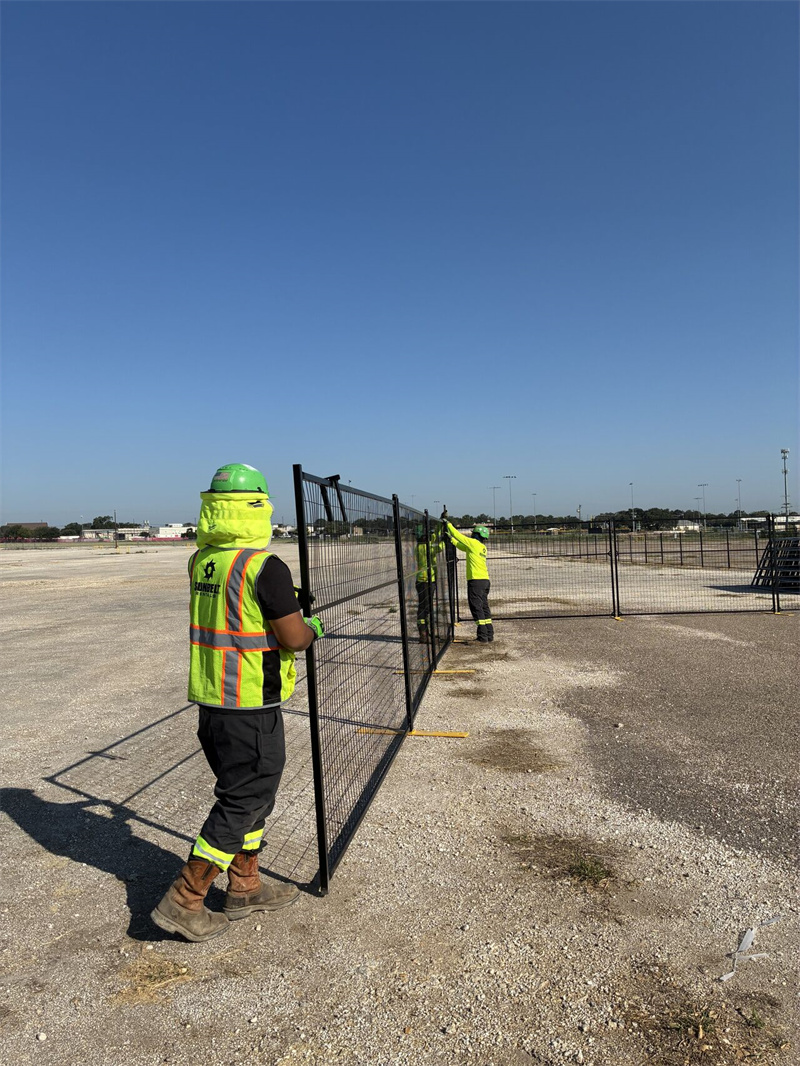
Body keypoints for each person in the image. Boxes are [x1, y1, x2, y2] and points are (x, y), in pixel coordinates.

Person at [152, 463, 325, 942]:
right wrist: (311, 627)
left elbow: (236, 609)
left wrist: (281, 599)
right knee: (243, 800)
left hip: (214, 702)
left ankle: (245, 885)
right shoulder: (264, 564)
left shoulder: (202, 560)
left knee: (253, 797)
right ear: (258, 507)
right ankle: (186, 898)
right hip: (250, 703)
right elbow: (292, 638)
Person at [443, 515, 493, 643]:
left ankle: (482, 637)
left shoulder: (473, 543)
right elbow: (462, 546)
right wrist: (451, 540)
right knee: (484, 607)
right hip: (484, 581)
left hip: (476, 581)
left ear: (476, 535)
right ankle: (489, 633)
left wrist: (448, 524)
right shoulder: (481, 547)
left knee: (476, 606)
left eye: (473, 533)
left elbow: (460, 537)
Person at [414, 521, 444, 645]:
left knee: (426, 606)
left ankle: (426, 631)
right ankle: (423, 633)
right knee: (424, 607)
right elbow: (440, 547)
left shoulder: (421, 544)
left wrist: (441, 524)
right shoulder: (425, 547)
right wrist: (443, 539)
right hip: (425, 581)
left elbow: (434, 535)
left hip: (426, 580)